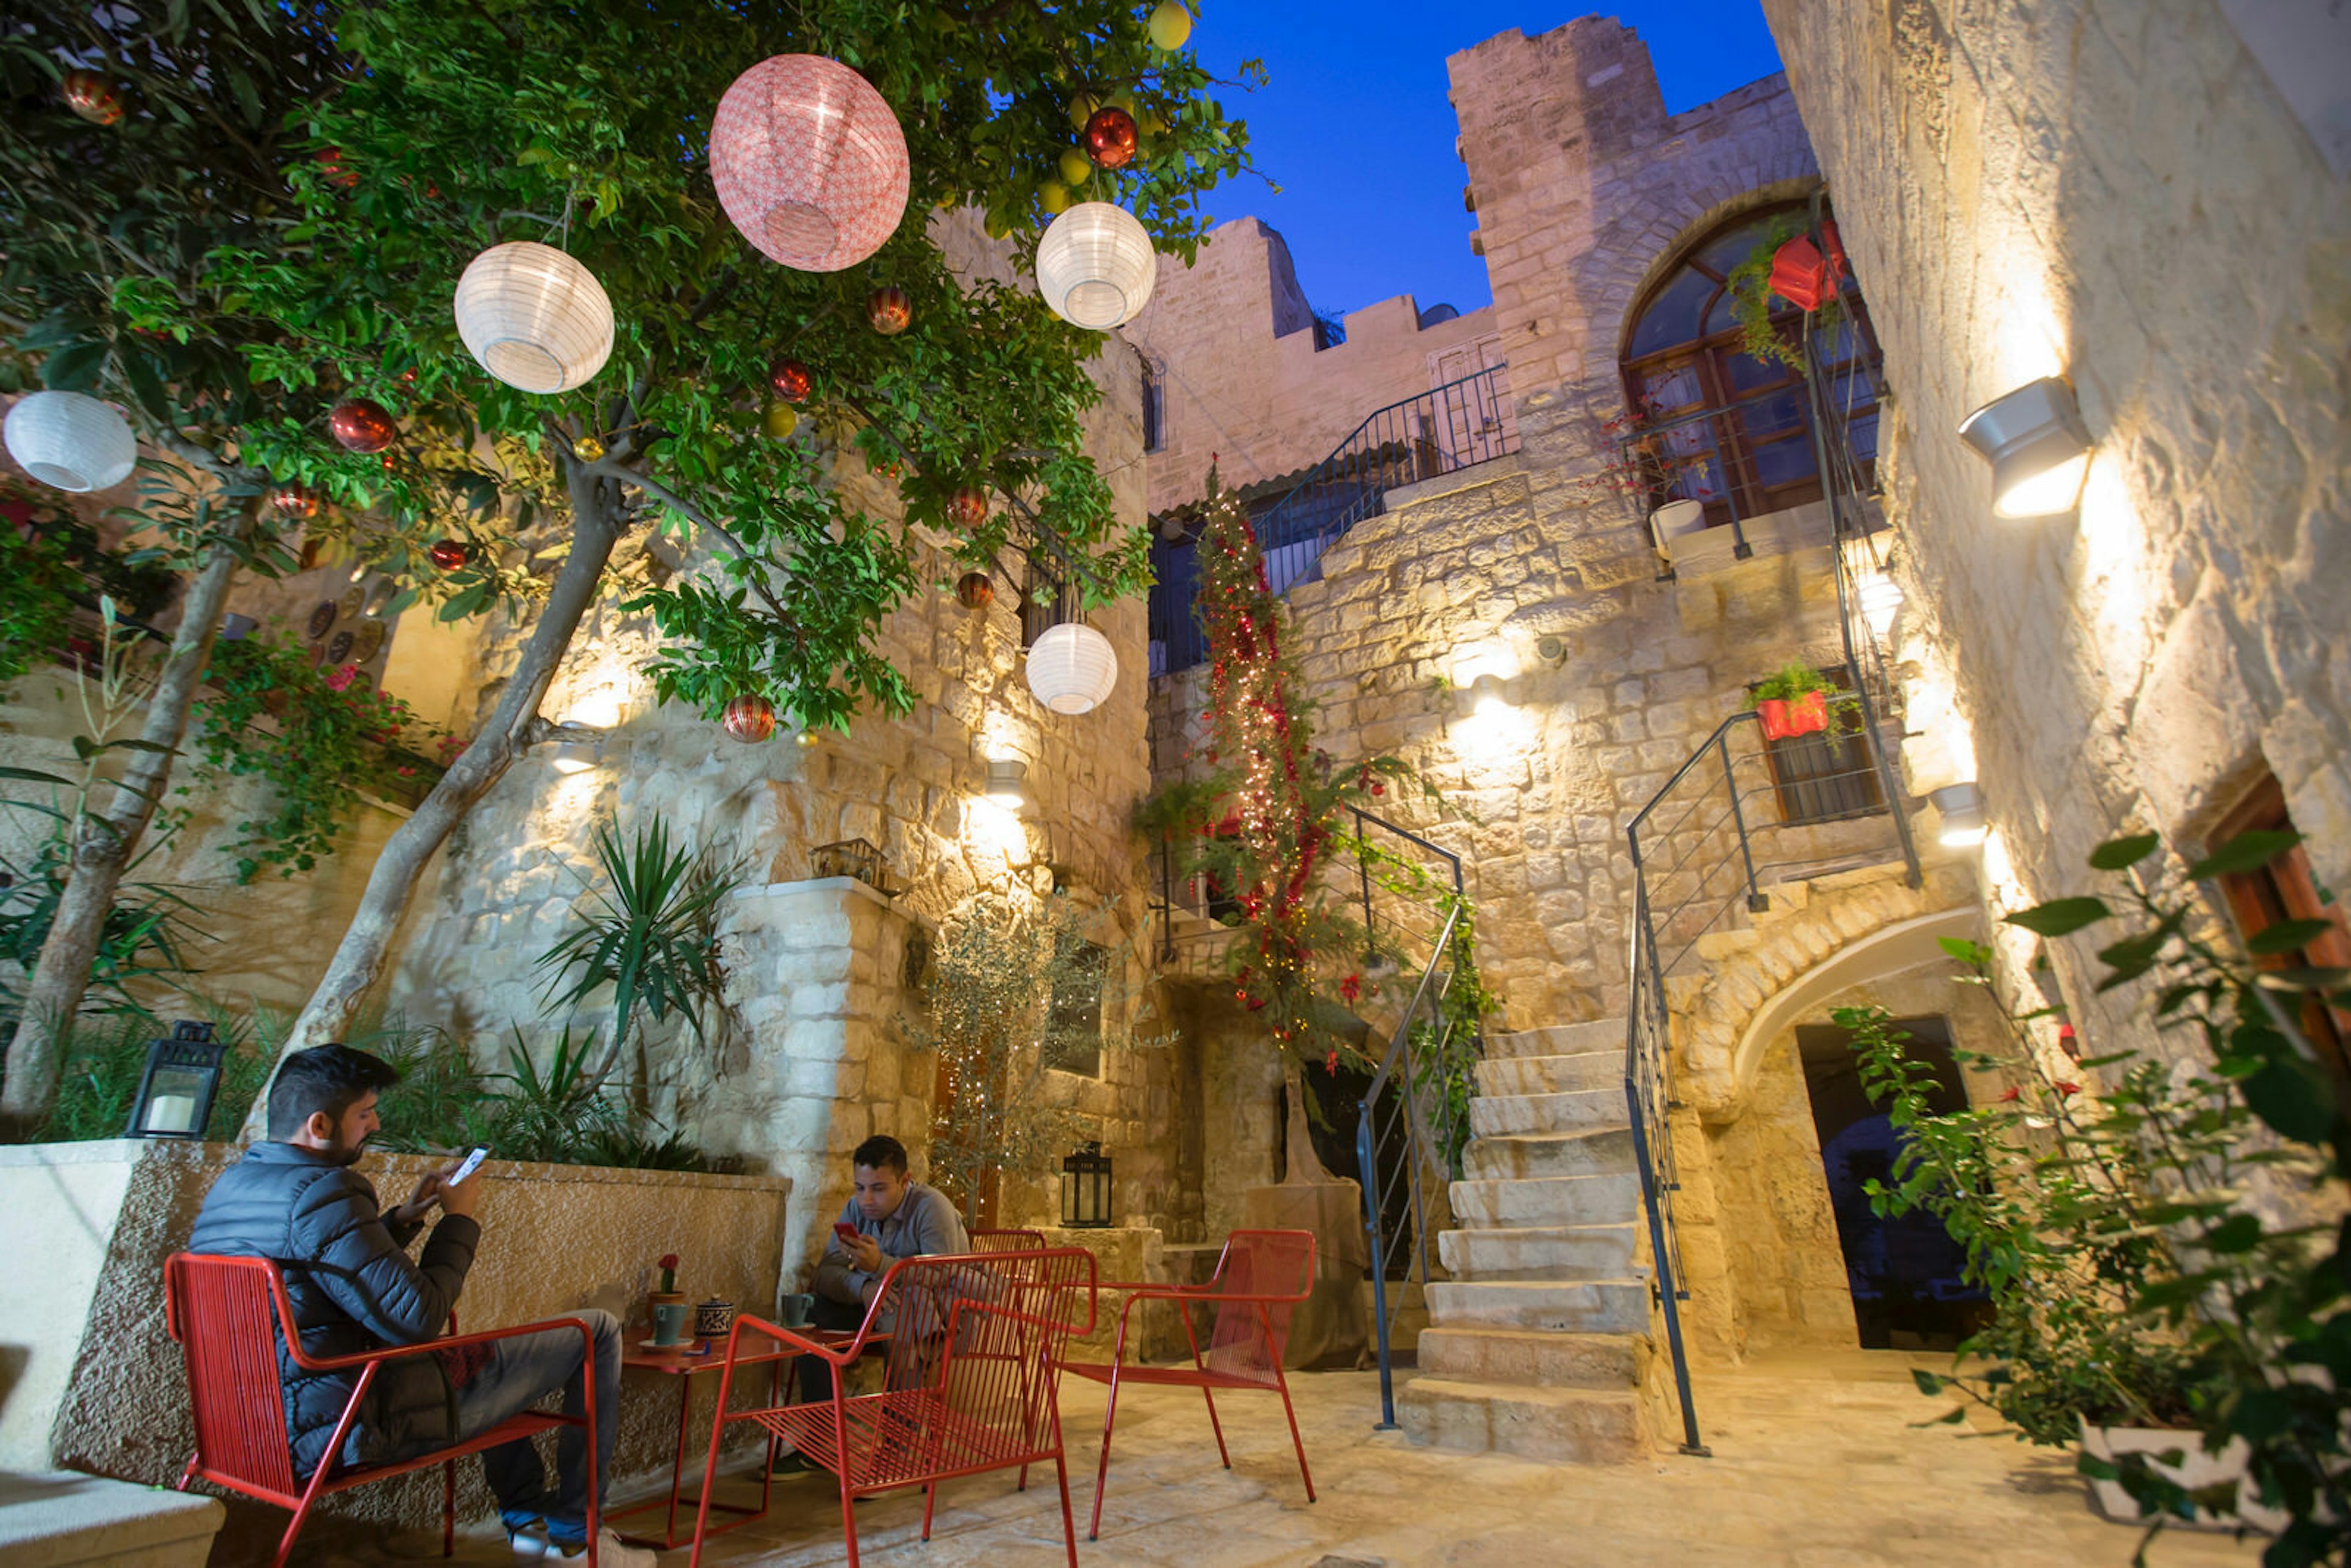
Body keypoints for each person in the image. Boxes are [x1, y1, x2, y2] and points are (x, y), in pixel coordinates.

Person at [187, 1044, 654, 1566]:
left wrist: (403, 1219)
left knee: (500, 1350)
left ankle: (528, 1517)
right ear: (320, 1124)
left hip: (252, 1426)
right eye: (363, 1112)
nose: (374, 1122)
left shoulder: (236, 1186)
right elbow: (419, 1320)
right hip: (353, 1426)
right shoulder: (327, 1190)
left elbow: (324, 1274)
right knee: (595, 1330)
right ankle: (577, 1536)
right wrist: (461, 1217)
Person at [773, 1133, 968, 1473]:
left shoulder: (931, 1206)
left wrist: (880, 1266)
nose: (866, 1199)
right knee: (811, 1315)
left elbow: (943, 1275)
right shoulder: (856, 1207)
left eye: (878, 1188)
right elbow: (826, 1272)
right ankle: (821, 1442)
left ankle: (897, 1451)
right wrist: (863, 1287)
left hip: (939, 1313)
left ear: (905, 1181)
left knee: (905, 1308)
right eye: (860, 1187)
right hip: (879, 1305)